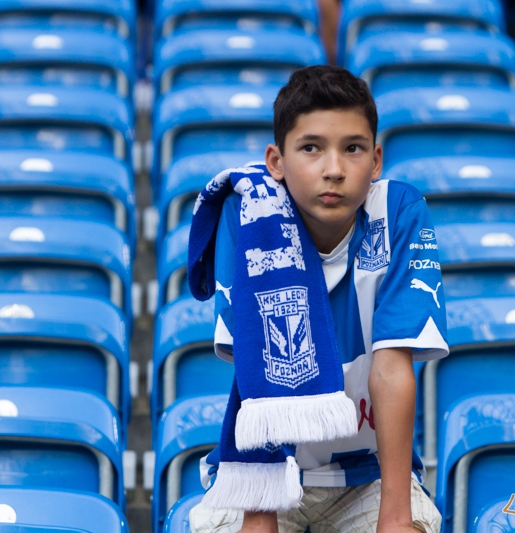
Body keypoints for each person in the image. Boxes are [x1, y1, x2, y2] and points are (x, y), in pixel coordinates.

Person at [188, 65, 448, 533]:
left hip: (370, 474)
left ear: (376, 160)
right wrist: (259, 514)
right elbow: (258, 370)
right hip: (271, 473)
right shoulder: (247, 212)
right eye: (311, 148)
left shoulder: (401, 213)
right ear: (277, 161)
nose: (333, 169)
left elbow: (391, 368)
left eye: (353, 148)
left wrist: (394, 517)